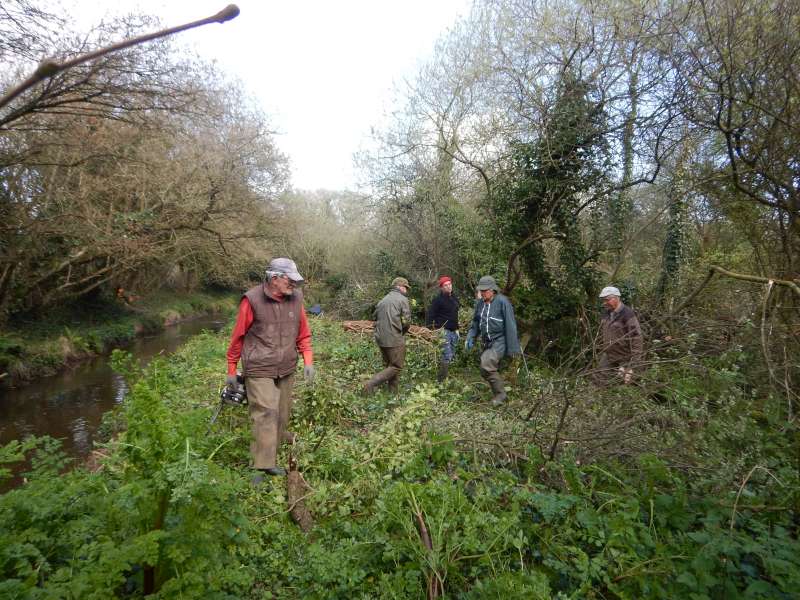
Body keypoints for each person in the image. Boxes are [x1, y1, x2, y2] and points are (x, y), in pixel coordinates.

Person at [226, 257, 314, 485]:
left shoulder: (296, 299)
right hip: (259, 365)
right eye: (289, 280)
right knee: (266, 412)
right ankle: (260, 466)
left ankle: (270, 456)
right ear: (274, 278)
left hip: (286, 366)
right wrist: (231, 368)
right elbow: (238, 337)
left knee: (282, 413)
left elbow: (303, 332)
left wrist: (308, 361)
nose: (293, 285)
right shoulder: (252, 300)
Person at [464, 276, 520, 405]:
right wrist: (470, 337)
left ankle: (501, 395)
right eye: (481, 290)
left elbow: (511, 326)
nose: (482, 293)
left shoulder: (503, 302)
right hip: (486, 341)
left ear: (492, 290)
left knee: (486, 364)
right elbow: (476, 323)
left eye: (484, 291)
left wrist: (513, 348)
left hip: (500, 340)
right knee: (485, 369)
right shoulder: (480, 304)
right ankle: (499, 390)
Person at [363, 277, 412, 395]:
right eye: (406, 287)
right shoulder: (402, 299)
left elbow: (374, 318)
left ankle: (392, 396)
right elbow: (406, 321)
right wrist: (402, 332)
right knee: (396, 366)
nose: (406, 290)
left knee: (390, 366)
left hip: (380, 338)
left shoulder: (383, 300)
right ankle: (371, 383)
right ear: (400, 286)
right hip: (394, 338)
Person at [592, 286, 644, 386]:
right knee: (598, 380)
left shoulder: (627, 314)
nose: (604, 303)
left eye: (607, 300)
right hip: (609, 355)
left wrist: (632, 364)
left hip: (625, 357)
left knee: (627, 384)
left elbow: (636, 338)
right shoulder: (606, 313)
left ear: (616, 298)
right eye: (603, 301)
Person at [426, 275, 460, 381]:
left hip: (453, 331)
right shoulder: (438, 300)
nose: (448, 287)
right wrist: (431, 330)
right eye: (445, 285)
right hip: (443, 331)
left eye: (449, 284)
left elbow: (455, 315)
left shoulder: (454, 298)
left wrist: (457, 329)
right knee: (447, 355)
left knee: (451, 355)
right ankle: (441, 381)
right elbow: (430, 315)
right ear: (441, 287)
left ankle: (445, 377)